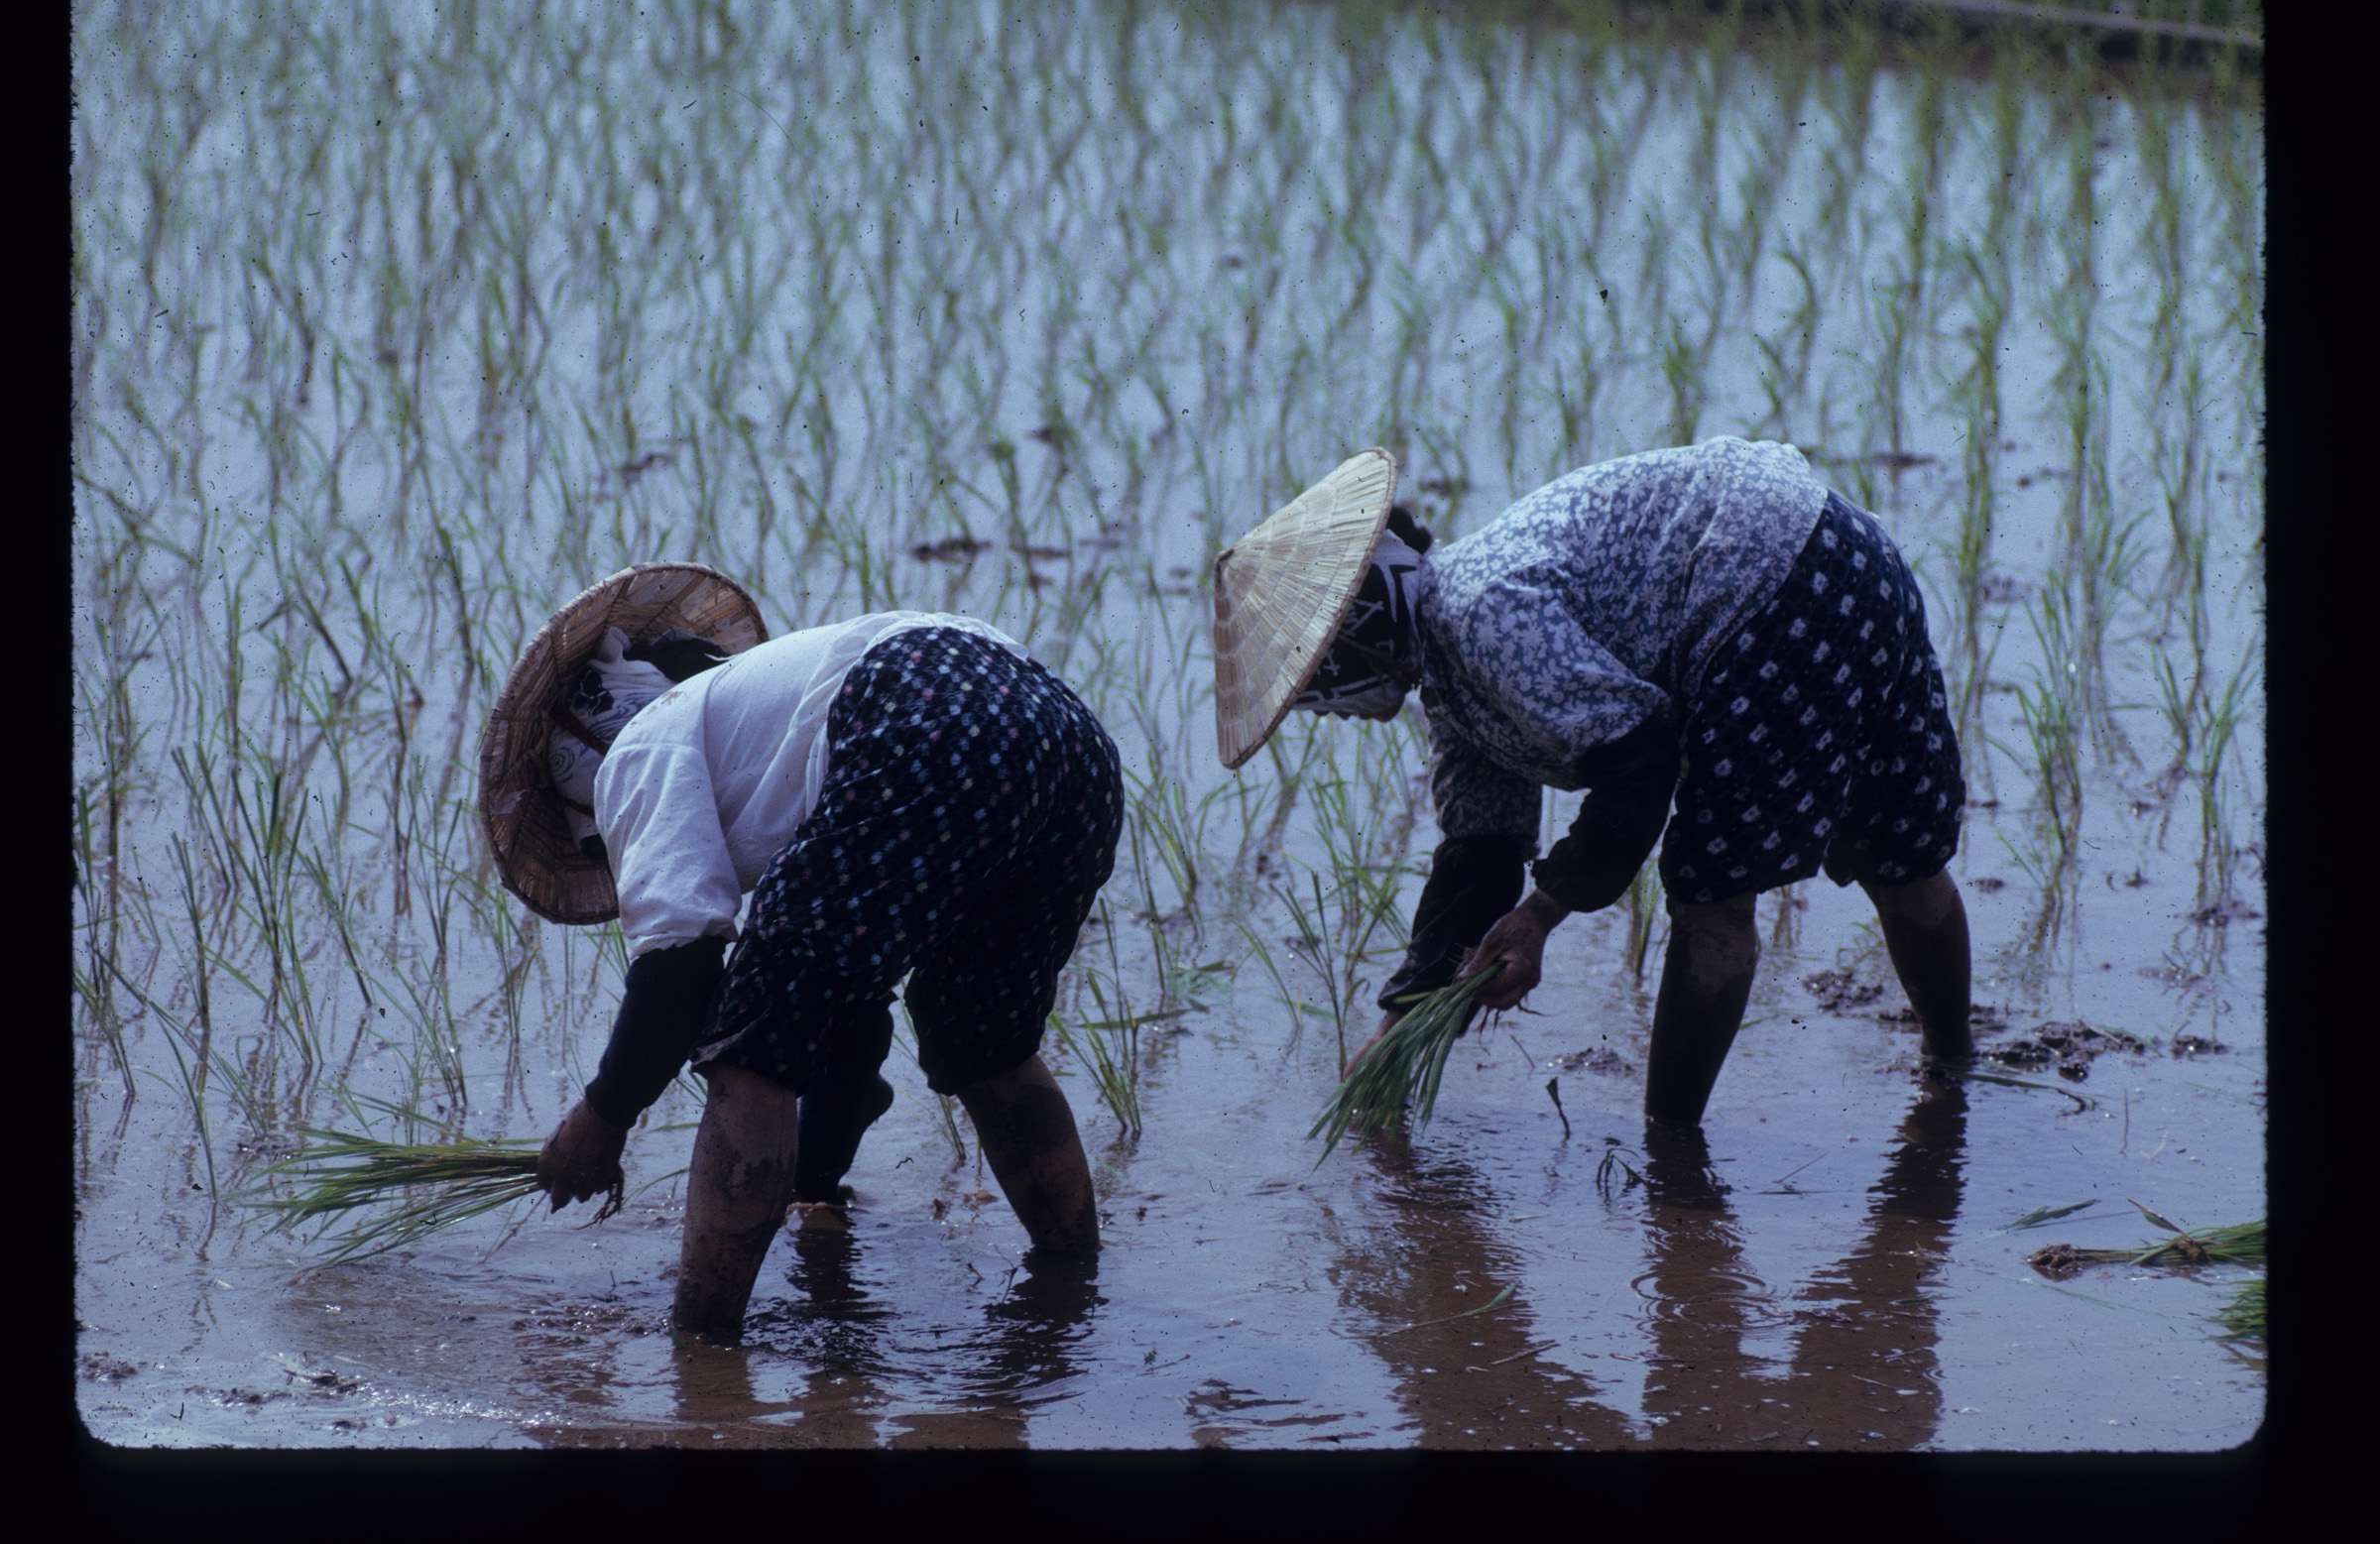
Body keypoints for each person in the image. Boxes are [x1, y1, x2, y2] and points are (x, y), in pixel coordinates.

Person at [1211, 438, 1972, 1128]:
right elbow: (1481, 850)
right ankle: (1953, 1068)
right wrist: (1400, 1024)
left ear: (1354, 637)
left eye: (1316, 682)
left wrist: (1541, 916)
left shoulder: (1480, 617)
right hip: (1848, 553)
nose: (1327, 709)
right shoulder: (1452, 655)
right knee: (1896, 851)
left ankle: (1672, 1157)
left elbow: (1637, 762)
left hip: (1774, 589)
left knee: (1712, 897)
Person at [480, 566, 1121, 1339]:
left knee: (750, 1053)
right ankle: (1074, 1292)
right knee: (984, 1042)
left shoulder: (637, 750)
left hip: (921, 719)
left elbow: (679, 977)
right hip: (1069, 741)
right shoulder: (769, 723)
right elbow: (842, 1008)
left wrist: (603, 1118)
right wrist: (813, 1184)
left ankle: (703, 1351)